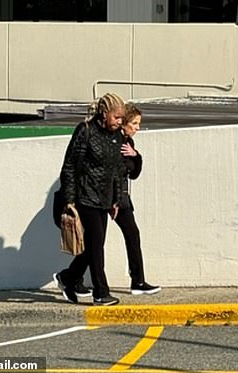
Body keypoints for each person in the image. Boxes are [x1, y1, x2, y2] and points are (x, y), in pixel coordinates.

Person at [53, 92, 126, 306]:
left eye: (122, 118)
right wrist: (69, 200)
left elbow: (117, 170)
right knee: (96, 246)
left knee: (94, 245)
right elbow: (69, 167)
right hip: (84, 197)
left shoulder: (117, 136)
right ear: (104, 113)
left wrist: (117, 199)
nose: (120, 122)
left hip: (104, 199)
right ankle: (101, 293)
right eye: (117, 117)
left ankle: (68, 277)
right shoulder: (85, 131)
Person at [115, 103, 161, 295]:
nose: (137, 128)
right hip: (108, 198)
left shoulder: (128, 143)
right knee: (94, 240)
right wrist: (114, 201)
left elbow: (133, 174)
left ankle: (138, 281)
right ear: (124, 123)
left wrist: (136, 156)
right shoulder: (113, 141)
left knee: (133, 235)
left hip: (122, 198)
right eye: (134, 123)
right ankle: (70, 277)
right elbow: (113, 172)